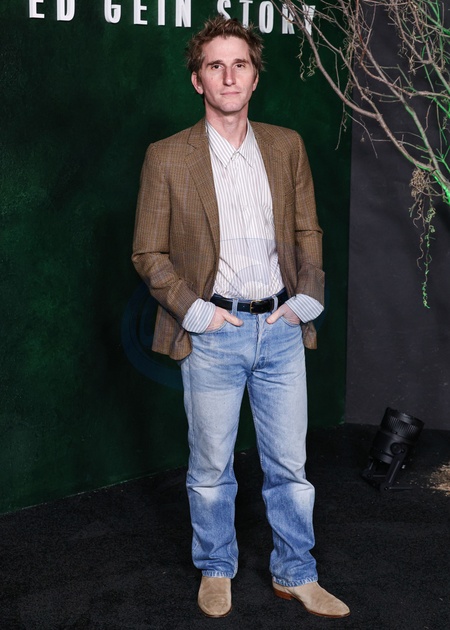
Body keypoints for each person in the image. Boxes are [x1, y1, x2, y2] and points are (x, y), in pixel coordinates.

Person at [132, 15, 350, 620]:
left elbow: (308, 230)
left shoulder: (286, 146)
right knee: (210, 469)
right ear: (198, 79)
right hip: (213, 336)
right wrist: (196, 312)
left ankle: (296, 573)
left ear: (255, 77)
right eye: (215, 66)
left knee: (291, 469)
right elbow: (147, 253)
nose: (229, 76)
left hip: (280, 332)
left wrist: (306, 299)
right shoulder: (167, 157)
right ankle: (216, 567)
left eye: (240, 64)